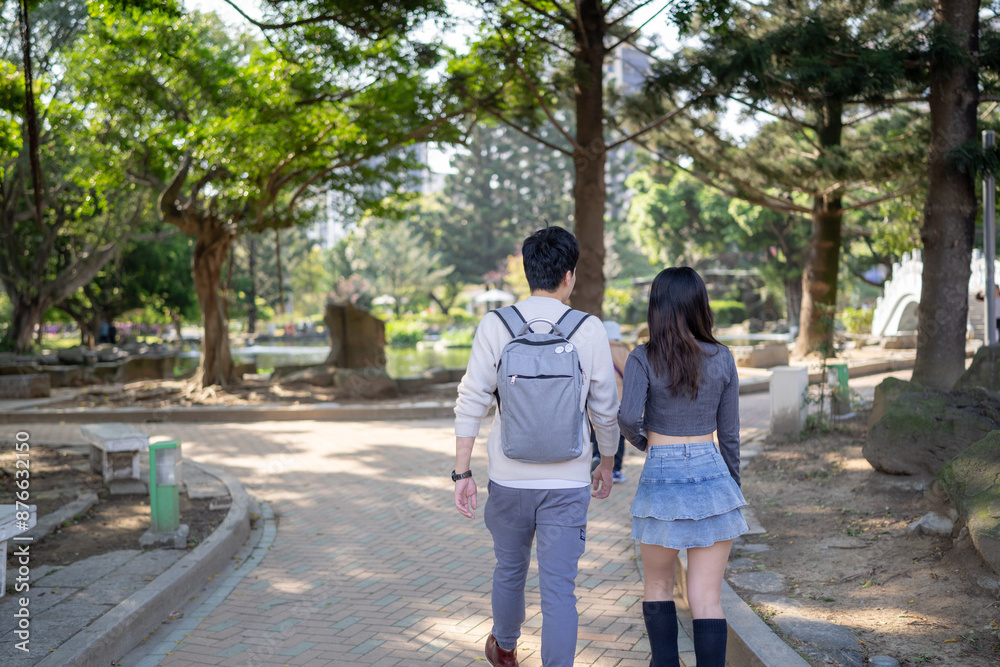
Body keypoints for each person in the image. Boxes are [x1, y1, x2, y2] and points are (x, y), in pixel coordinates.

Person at [453, 226, 621, 667]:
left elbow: (471, 398)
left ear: (529, 272)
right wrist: (606, 461)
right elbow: (605, 408)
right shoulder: (588, 329)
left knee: (509, 571)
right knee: (559, 589)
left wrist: (463, 472)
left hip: (508, 479)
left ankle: (504, 648)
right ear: (569, 275)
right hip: (567, 481)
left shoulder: (496, 324)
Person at [618, 267, 748, 667]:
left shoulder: (642, 356)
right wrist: (733, 489)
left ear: (656, 307)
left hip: (661, 472)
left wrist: (648, 444)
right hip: (713, 470)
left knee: (657, 584)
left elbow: (625, 418)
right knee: (707, 596)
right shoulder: (722, 356)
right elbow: (729, 436)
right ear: (700, 305)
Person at [590, 320, 630, 483]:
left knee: (598, 429)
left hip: (596, 398)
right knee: (618, 435)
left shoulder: (594, 348)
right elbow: (630, 378)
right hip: (618, 400)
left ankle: (597, 457)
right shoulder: (623, 351)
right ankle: (616, 470)